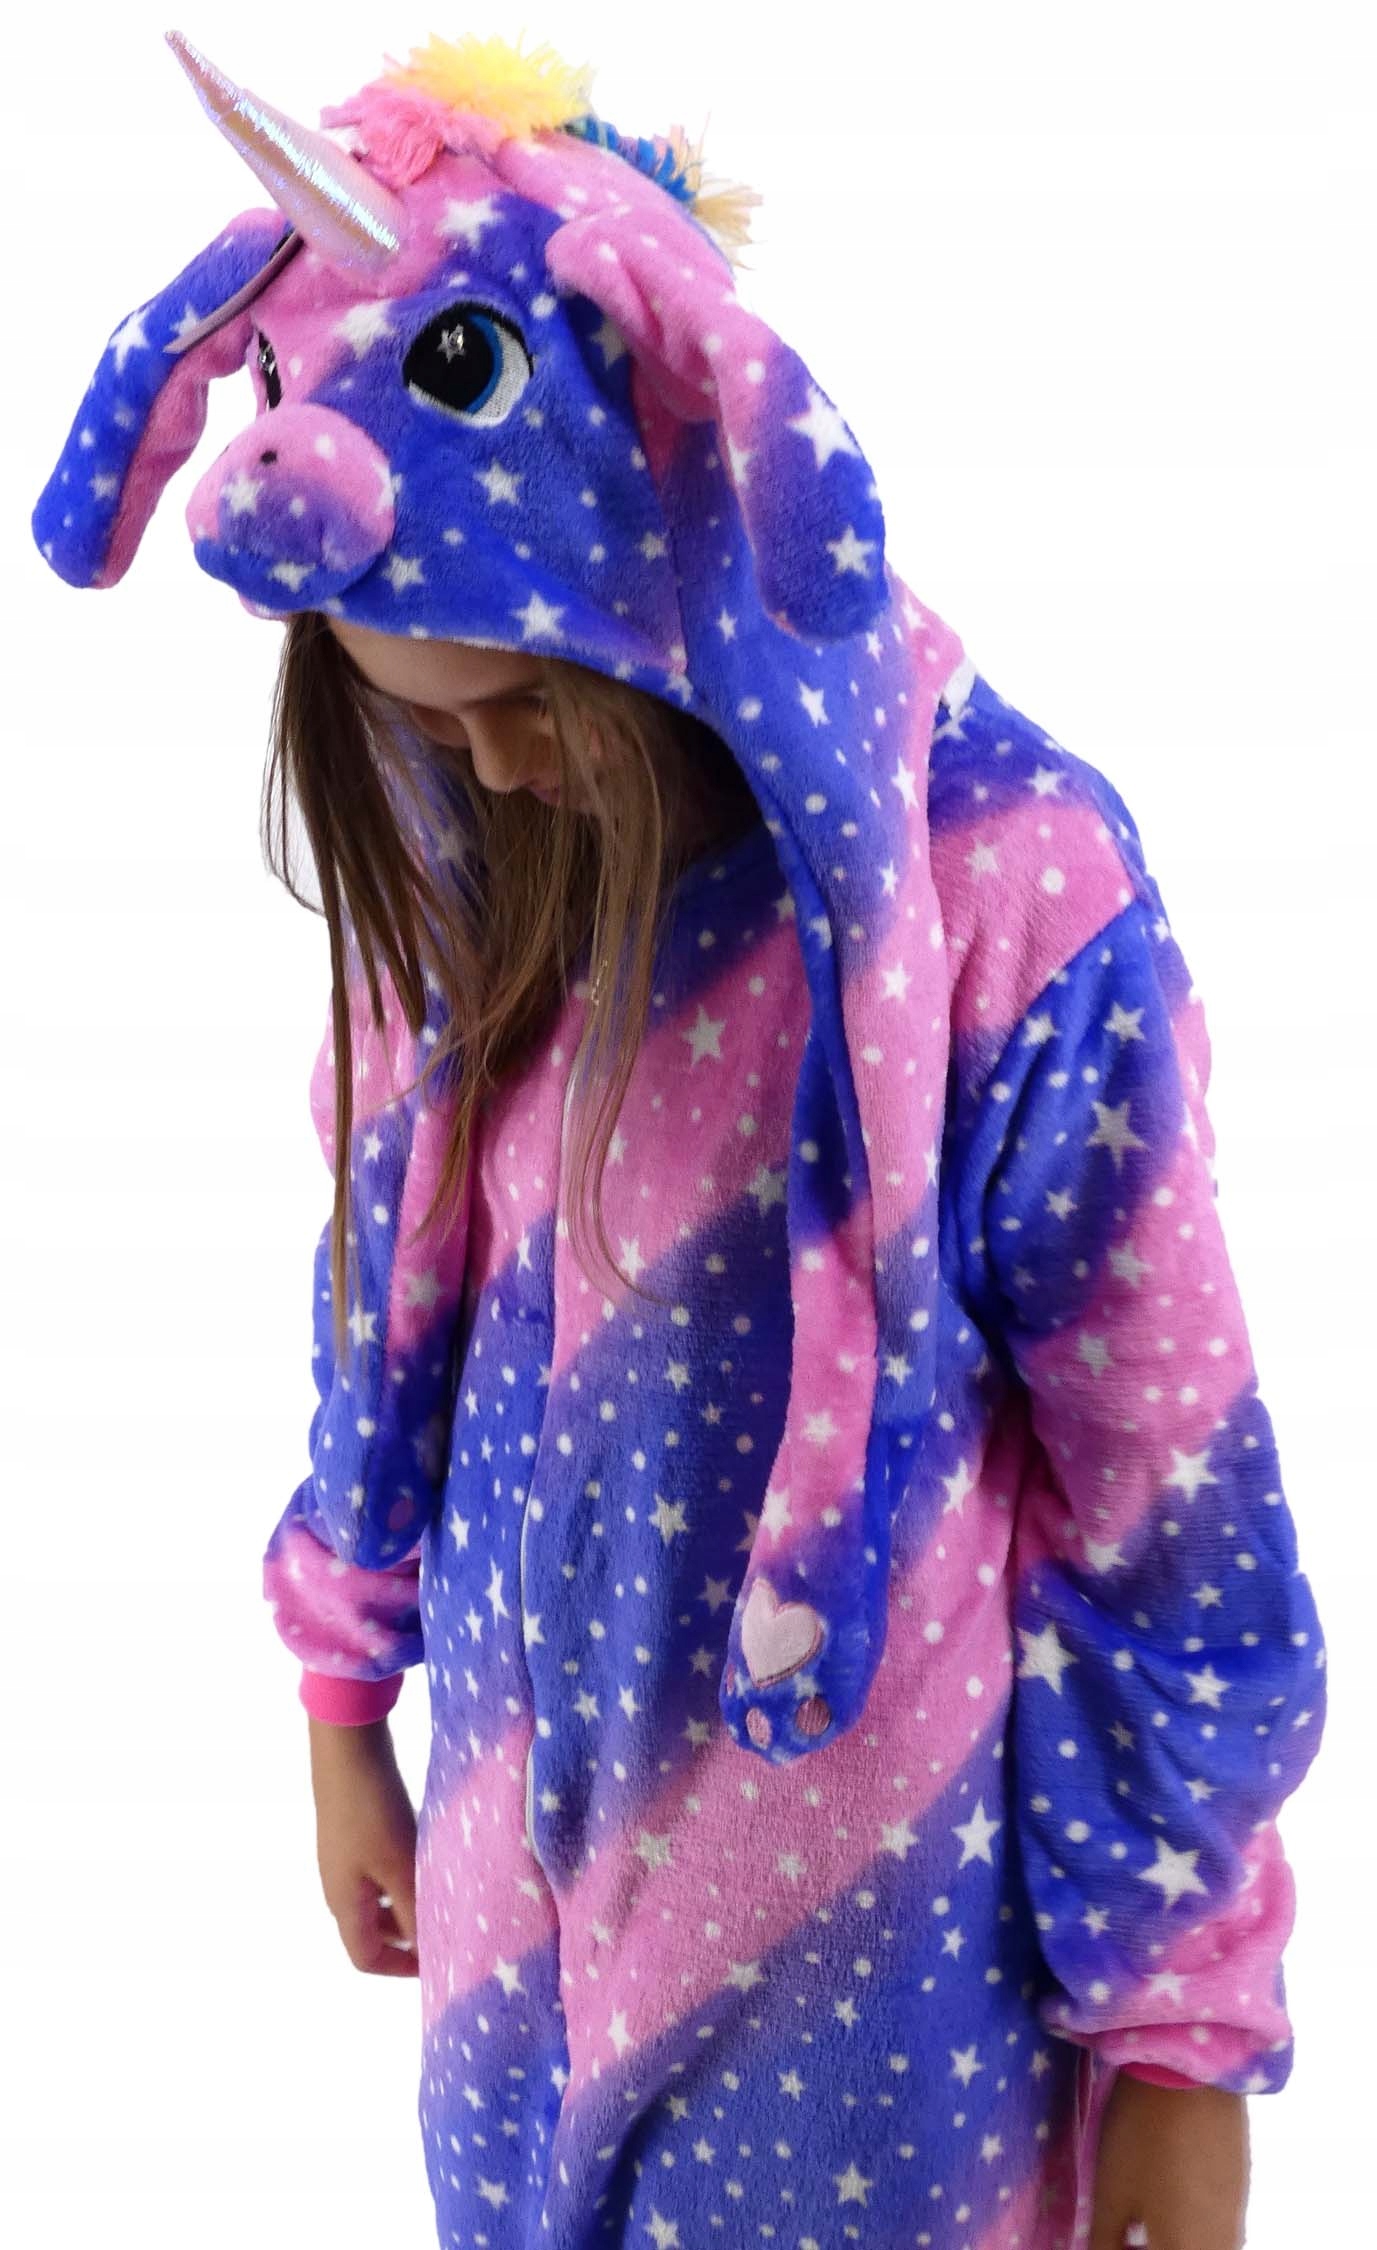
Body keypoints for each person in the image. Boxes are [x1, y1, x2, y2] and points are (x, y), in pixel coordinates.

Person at [31, 26, 1327, 2250]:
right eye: (421, 710)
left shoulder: (1009, 895)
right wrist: (343, 1693)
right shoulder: (475, 858)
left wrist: (1179, 2040)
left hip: (880, 2017)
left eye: (523, 705)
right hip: (514, 1971)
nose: (491, 771)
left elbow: (1165, 1492)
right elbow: (387, 1285)